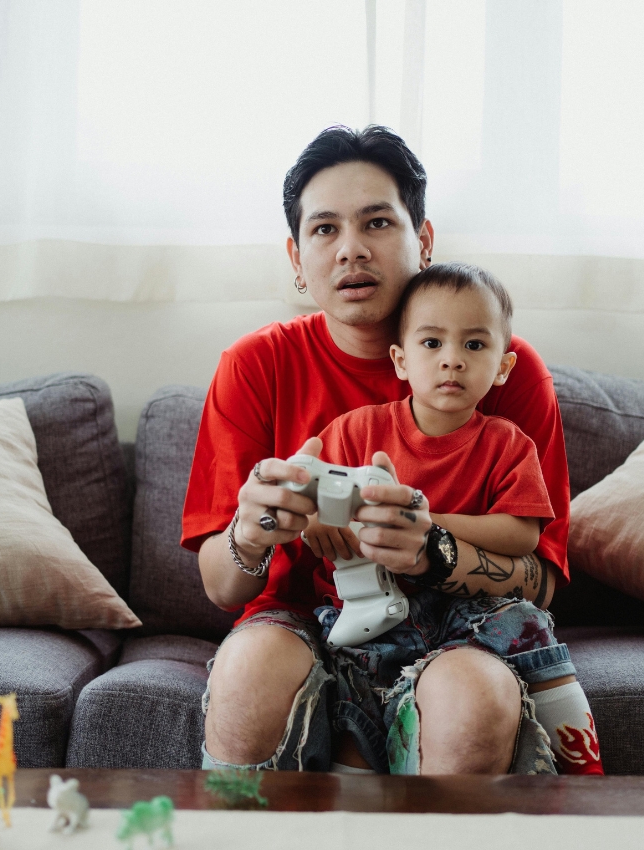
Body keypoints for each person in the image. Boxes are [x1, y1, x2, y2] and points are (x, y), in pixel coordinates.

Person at [182, 125, 571, 775]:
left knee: (473, 698)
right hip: (297, 621)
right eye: (325, 229)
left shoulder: (501, 365)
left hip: (450, 630)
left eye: (377, 223)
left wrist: (430, 547)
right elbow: (221, 586)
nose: (351, 249)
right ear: (296, 256)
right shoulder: (255, 365)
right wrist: (253, 533)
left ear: (422, 240)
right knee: (250, 671)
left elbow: (544, 581)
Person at [308, 261, 603, 776]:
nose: (452, 361)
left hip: (473, 611)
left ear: (504, 366)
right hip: (372, 612)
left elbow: (522, 533)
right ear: (400, 360)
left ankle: (582, 775)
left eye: (473, 345)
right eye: (431, 344)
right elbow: (312, 495)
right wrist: (316, 519)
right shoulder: (356, 430)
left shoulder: (509, 443)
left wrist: (427, 521)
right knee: (350, 698)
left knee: (530, 625)